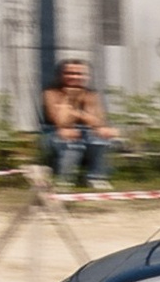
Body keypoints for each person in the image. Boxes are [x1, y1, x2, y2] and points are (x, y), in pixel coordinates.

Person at [41, 56, 114, 191]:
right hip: (53, 132)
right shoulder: (51, 93)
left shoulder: (91, 95)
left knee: (100, 140)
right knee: (71, 142)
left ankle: (96, 177)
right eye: (69, 73)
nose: (74, 77)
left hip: (83, 132)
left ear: (85, 76)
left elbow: (98, 122)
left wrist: (76, 113)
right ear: (61, 75)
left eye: (78, 73)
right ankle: (64, 179)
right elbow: (60, 121)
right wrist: (69, 98)